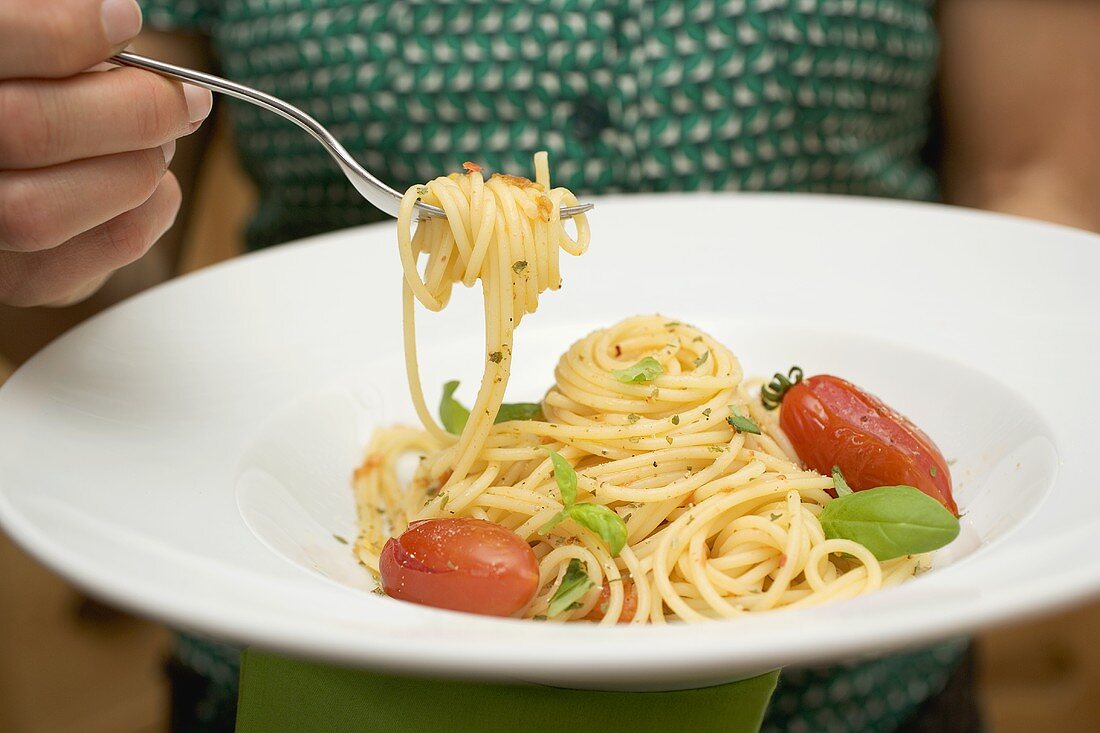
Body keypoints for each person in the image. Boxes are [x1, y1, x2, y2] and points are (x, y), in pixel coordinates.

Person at [0, 1, 1097, 731]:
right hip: (336, 686)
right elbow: (110, 283)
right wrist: (48, 218)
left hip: (863, 701)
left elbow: (1033, 182)